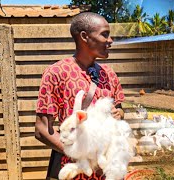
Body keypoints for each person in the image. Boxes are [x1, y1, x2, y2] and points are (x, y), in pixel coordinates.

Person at [35, 12, 125, 180]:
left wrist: (118, 114)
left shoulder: (109, 74)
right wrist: (82, 156)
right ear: (84, 36)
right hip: (72, 169)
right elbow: (42, 130)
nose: (110, 40)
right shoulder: (56, 73)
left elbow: (120, 111)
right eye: (104, 34)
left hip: (106, 169)